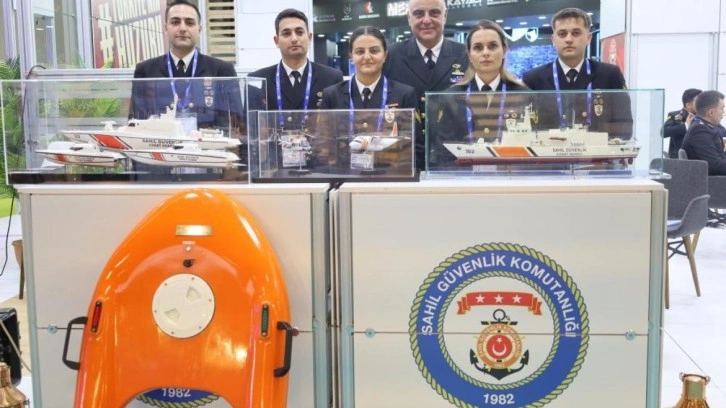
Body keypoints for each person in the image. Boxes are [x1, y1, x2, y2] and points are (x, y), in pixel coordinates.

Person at [129, 0, 241, 132]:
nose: (182, 28)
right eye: (175, 22)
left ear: (199, 29)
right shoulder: (146, 71)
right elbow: (137, 121)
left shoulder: (222, 71)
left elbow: (234, 124)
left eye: (189, 23)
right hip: (160, 142)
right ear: (166, 28)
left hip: (207, 143)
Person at [522, 7, 632, 140]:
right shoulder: (533, 79)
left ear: (588, 38)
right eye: (562, 34)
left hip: (596, 152)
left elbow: (624, 127)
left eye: (576, 33)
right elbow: (526, 129)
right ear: (553, 40)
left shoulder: (609, 75)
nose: (569, 39)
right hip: (550, 152)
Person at [429, 20, 528, 165]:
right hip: (464, 176)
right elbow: (443, 152)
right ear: (469, 55)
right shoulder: (450, 98)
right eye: (478, 47)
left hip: (509, 174)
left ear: (504, 50)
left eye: (493, 46)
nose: (486, 53)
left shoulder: (524, 95)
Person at [382, 0, 468, 166]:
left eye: (434, 13)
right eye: (418, 14)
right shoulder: (390, 56)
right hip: (405, 158)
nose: (426, 20)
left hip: (454, 159)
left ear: (445, 15)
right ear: (409, 18)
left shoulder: (466, 55)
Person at [321, 26, 418, 171]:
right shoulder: (332, 95)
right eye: (360, 52)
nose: (367, 57)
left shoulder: (404, 94)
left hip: (389, 175)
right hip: (345, 176)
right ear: (351, 56)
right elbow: (324, 145)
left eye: (374, 51)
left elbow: (414, 146)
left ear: (385, 56)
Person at [247, 9, 343, 111]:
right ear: (277, 41)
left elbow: (339, 120)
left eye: (299, 32)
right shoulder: (257, 80)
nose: (294, 39)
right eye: (286, 33)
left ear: (309, 38)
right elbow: (251, 120)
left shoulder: (332, 78)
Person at [682, 90, 726, 175]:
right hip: (713, 180)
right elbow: (714, 165)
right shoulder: (699, 131)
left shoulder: (707, 128)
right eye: (722, 108)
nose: (723, 112)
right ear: (711, 112)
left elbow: (721, 156)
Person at [664, 88, 702, 158]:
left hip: (701, 157)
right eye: (698, 102)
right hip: (681, 159)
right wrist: (686, 126)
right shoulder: (675, 115)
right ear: (688, 105)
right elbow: (664, 132)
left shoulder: (704, 117)